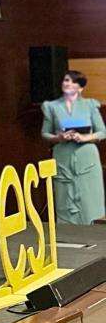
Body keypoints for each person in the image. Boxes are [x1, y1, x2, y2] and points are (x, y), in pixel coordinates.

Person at [42, 71, 106, 225]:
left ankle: (94, 241)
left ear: (80, 88)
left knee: (90, 201)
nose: (67, 84)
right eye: (66, 80)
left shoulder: (90, 105)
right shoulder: (51, 107)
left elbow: (102, 132)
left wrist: (85, 137)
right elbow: (45, 133)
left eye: (72, 82)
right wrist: (59, 138)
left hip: (87, 158)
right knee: (65, 200)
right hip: (63, 156)